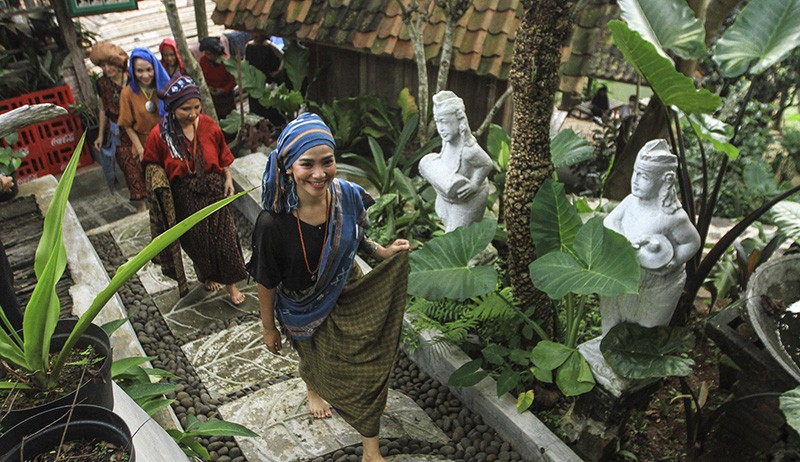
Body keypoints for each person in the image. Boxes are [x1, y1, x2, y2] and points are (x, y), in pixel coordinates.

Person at [248, 112, 410, 462]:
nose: (319, 173)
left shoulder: (346, 196)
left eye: (327, 161)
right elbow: (266, 279)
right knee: (315, 359)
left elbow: (357, 235)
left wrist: (383, 253)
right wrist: (268, 327)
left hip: (347, 288)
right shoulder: (272, 223)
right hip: (301, 306)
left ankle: (371, 451)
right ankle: (313, 384)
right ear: (288, 166)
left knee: (365, 370)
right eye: (307, 164)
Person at [142, 74, 247, 305]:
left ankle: (232, 285)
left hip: (213, 188)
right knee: (198, 243)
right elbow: (150, 164)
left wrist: (228, 178)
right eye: (186, 109)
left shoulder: (208, 125)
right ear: (172, 108)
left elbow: (222, 153)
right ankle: (208, 275)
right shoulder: (160, 135)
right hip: (185, 195)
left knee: (226, 238)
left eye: (197, 107)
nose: (193, 114)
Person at [601, 139, 701, 334]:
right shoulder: (631, 202)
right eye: (635, 172)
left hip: (658, 284)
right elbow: (609, 222)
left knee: (647, 330)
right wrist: (626, 243)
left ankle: (639, 349)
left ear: (665, 180)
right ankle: (607, 345)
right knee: (612, 318)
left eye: (644, 177)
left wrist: (674, 261)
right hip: (623, 273)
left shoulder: (673, 216)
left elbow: (693, 242)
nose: (636, 180)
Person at [419, 90, 493, 233]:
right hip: (451, 195)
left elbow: (487, 164)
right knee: (445, 219)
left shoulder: (468, 149)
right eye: (438, 122)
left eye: (444, 122)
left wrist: (474, 184)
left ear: (460, 121)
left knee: (456, 235)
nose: (441, 129)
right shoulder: (447, 141)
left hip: (470, 199)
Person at [118, 48, 171, 212]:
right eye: (139, 71)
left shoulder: (164, 88)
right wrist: (140, 148)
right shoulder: (127, 93)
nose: (145, 75)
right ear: (133, 71)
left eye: (149, 70)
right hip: (144, 143)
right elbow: (126, 124)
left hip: (165, 141)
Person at [89, 42, 136, 195]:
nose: (107, 69)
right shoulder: (101, 83)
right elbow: (103, 108)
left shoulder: (132, 79)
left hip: (137, 127)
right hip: (118, 131)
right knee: (129, 169)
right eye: (103, 65)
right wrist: (100, 135)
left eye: (110, 64)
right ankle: (141, 202)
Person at [245, 32, 285, 126]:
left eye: (257, 34)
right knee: (256, 109)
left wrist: (278, 71)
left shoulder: (269, 46)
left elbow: (284, 57)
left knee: (271, 109)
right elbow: (246, 63)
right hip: (254, 82)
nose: (255, 36)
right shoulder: (249, 47)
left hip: (269, 81)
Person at [199, 36, 236, 119]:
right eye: (205, 53)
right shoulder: (203, 61)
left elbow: (233, 80)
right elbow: (201, 77)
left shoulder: (227, 62)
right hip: (211, 96)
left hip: (226, 98)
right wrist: (208, 87)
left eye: (209, 54)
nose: (207, 56)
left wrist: (223, 90)